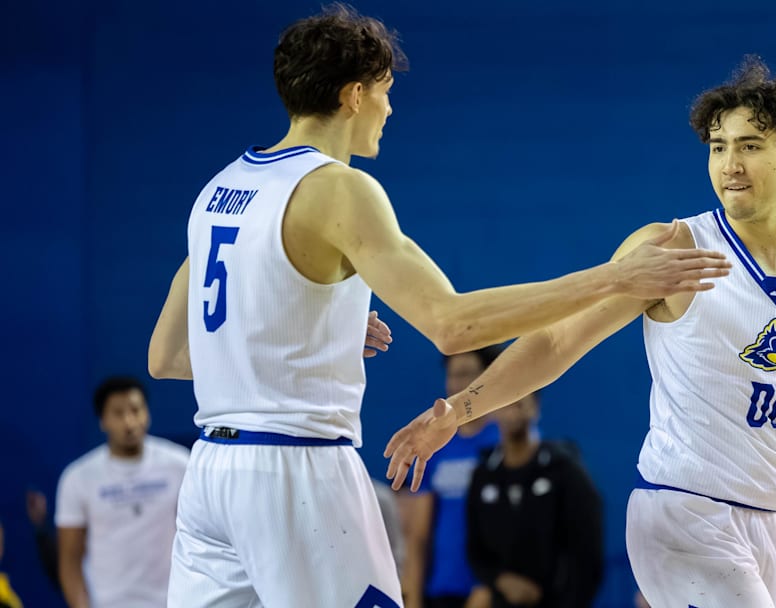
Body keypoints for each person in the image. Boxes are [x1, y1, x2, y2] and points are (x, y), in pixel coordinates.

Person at [146, 6, 728, 607]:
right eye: (385, 92)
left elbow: (167, 356)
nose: (389, 109)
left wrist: (320, 339)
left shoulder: (219, 191)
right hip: (296, 473)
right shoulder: (339, 189)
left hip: (210, 477)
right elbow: (455, 325)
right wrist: (614, 277)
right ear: (353, 95)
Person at [386, 56, 776, 608]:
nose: (729, 164)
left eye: (749, 145)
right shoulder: (674, 247)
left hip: (775, 520)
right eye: (718, 147)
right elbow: (558, 342)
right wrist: (460, 410)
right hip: (683, 511)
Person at [55, 377, 189, 608]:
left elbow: (199, 540)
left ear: (147, 413)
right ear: (102, 420)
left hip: (171, 601)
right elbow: (70, 559)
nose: (129, 422)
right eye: (118, 413)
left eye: (136, 410)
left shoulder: (180, 465)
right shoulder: (78, 478)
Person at [466, 392, 604, 608]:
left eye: (520, 403)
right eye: (505, 404)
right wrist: (500, 580)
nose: (512, 412)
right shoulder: (483, 476)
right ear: (493, 410)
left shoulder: (564, 471)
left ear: (535, 408)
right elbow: (475, 550)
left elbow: (587, 553)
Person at [401, 347, 502, 608]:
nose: (459, 384)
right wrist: (413, 596)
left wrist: (488, 587)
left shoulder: (504, 440)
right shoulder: (435, 446)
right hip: (440, 589)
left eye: (467, 374)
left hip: (490, 591)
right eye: (453, 375)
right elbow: (418, 534)